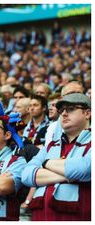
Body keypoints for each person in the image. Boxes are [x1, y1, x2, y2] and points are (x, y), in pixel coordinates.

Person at [21, 93, 91, 221]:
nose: (63, 114)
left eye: (70, 109)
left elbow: (84, 168)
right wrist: (72, 176)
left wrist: (45, 163)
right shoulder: (51, 145)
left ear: (87, 113)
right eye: (61, 110)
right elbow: (26, 175)